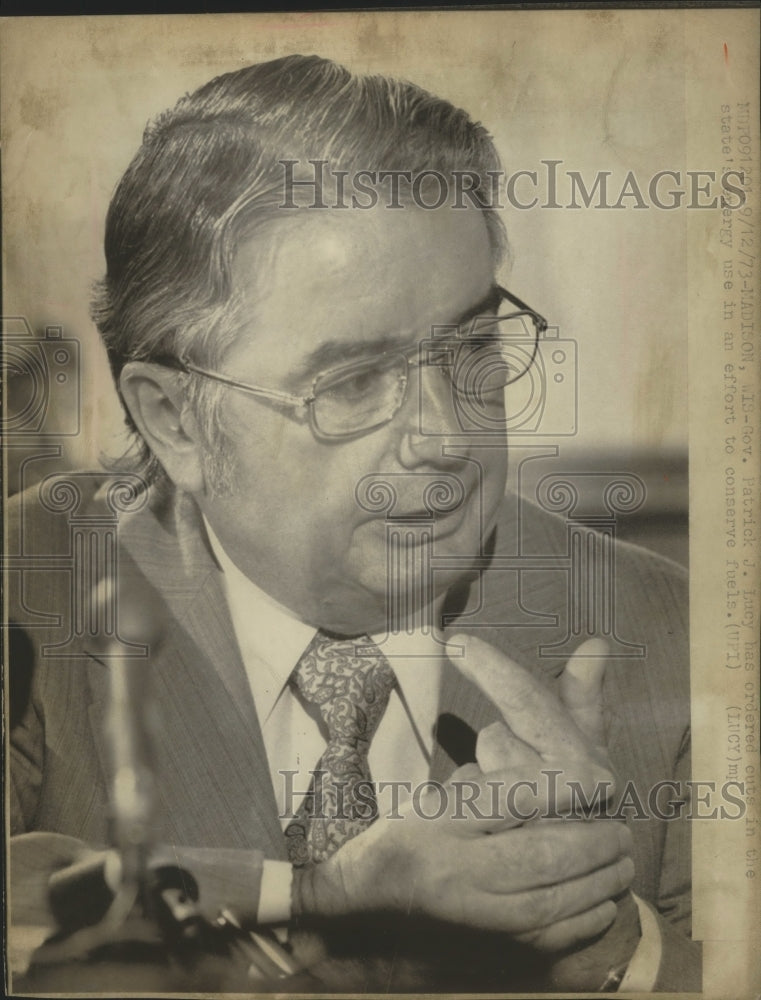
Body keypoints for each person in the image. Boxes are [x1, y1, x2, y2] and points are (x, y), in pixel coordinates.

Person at [8, 54, 699, 992]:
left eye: (471, 346)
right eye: (353, 382)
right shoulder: (31, 586)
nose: (445, 437)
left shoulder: (677, 637)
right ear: (177, 422)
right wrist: (319, 894)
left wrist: (605, 942)